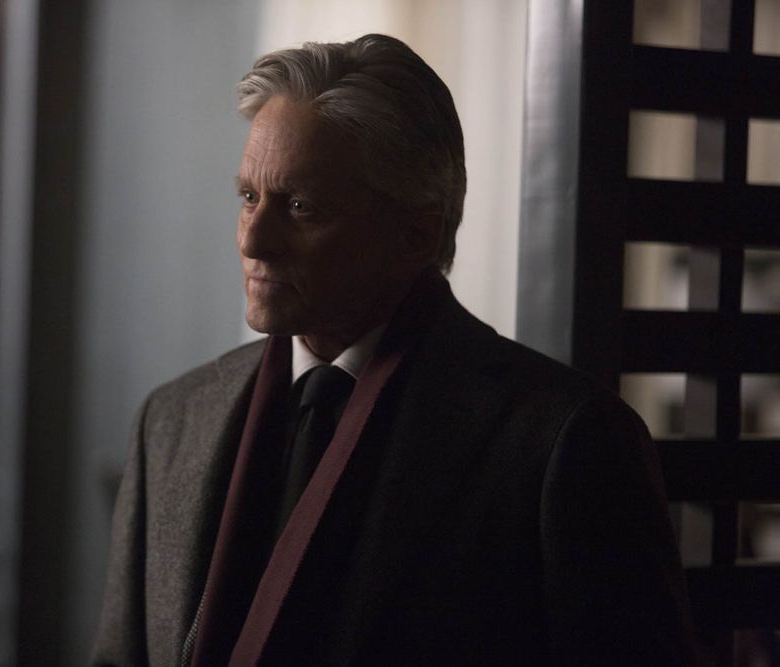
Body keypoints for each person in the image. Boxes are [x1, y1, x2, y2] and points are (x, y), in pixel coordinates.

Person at [93, 34, 695, 666]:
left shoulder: (562, 442)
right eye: (248, 197)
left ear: (416, 233)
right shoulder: (171, 422)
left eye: (300, 206)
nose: (254, 240)